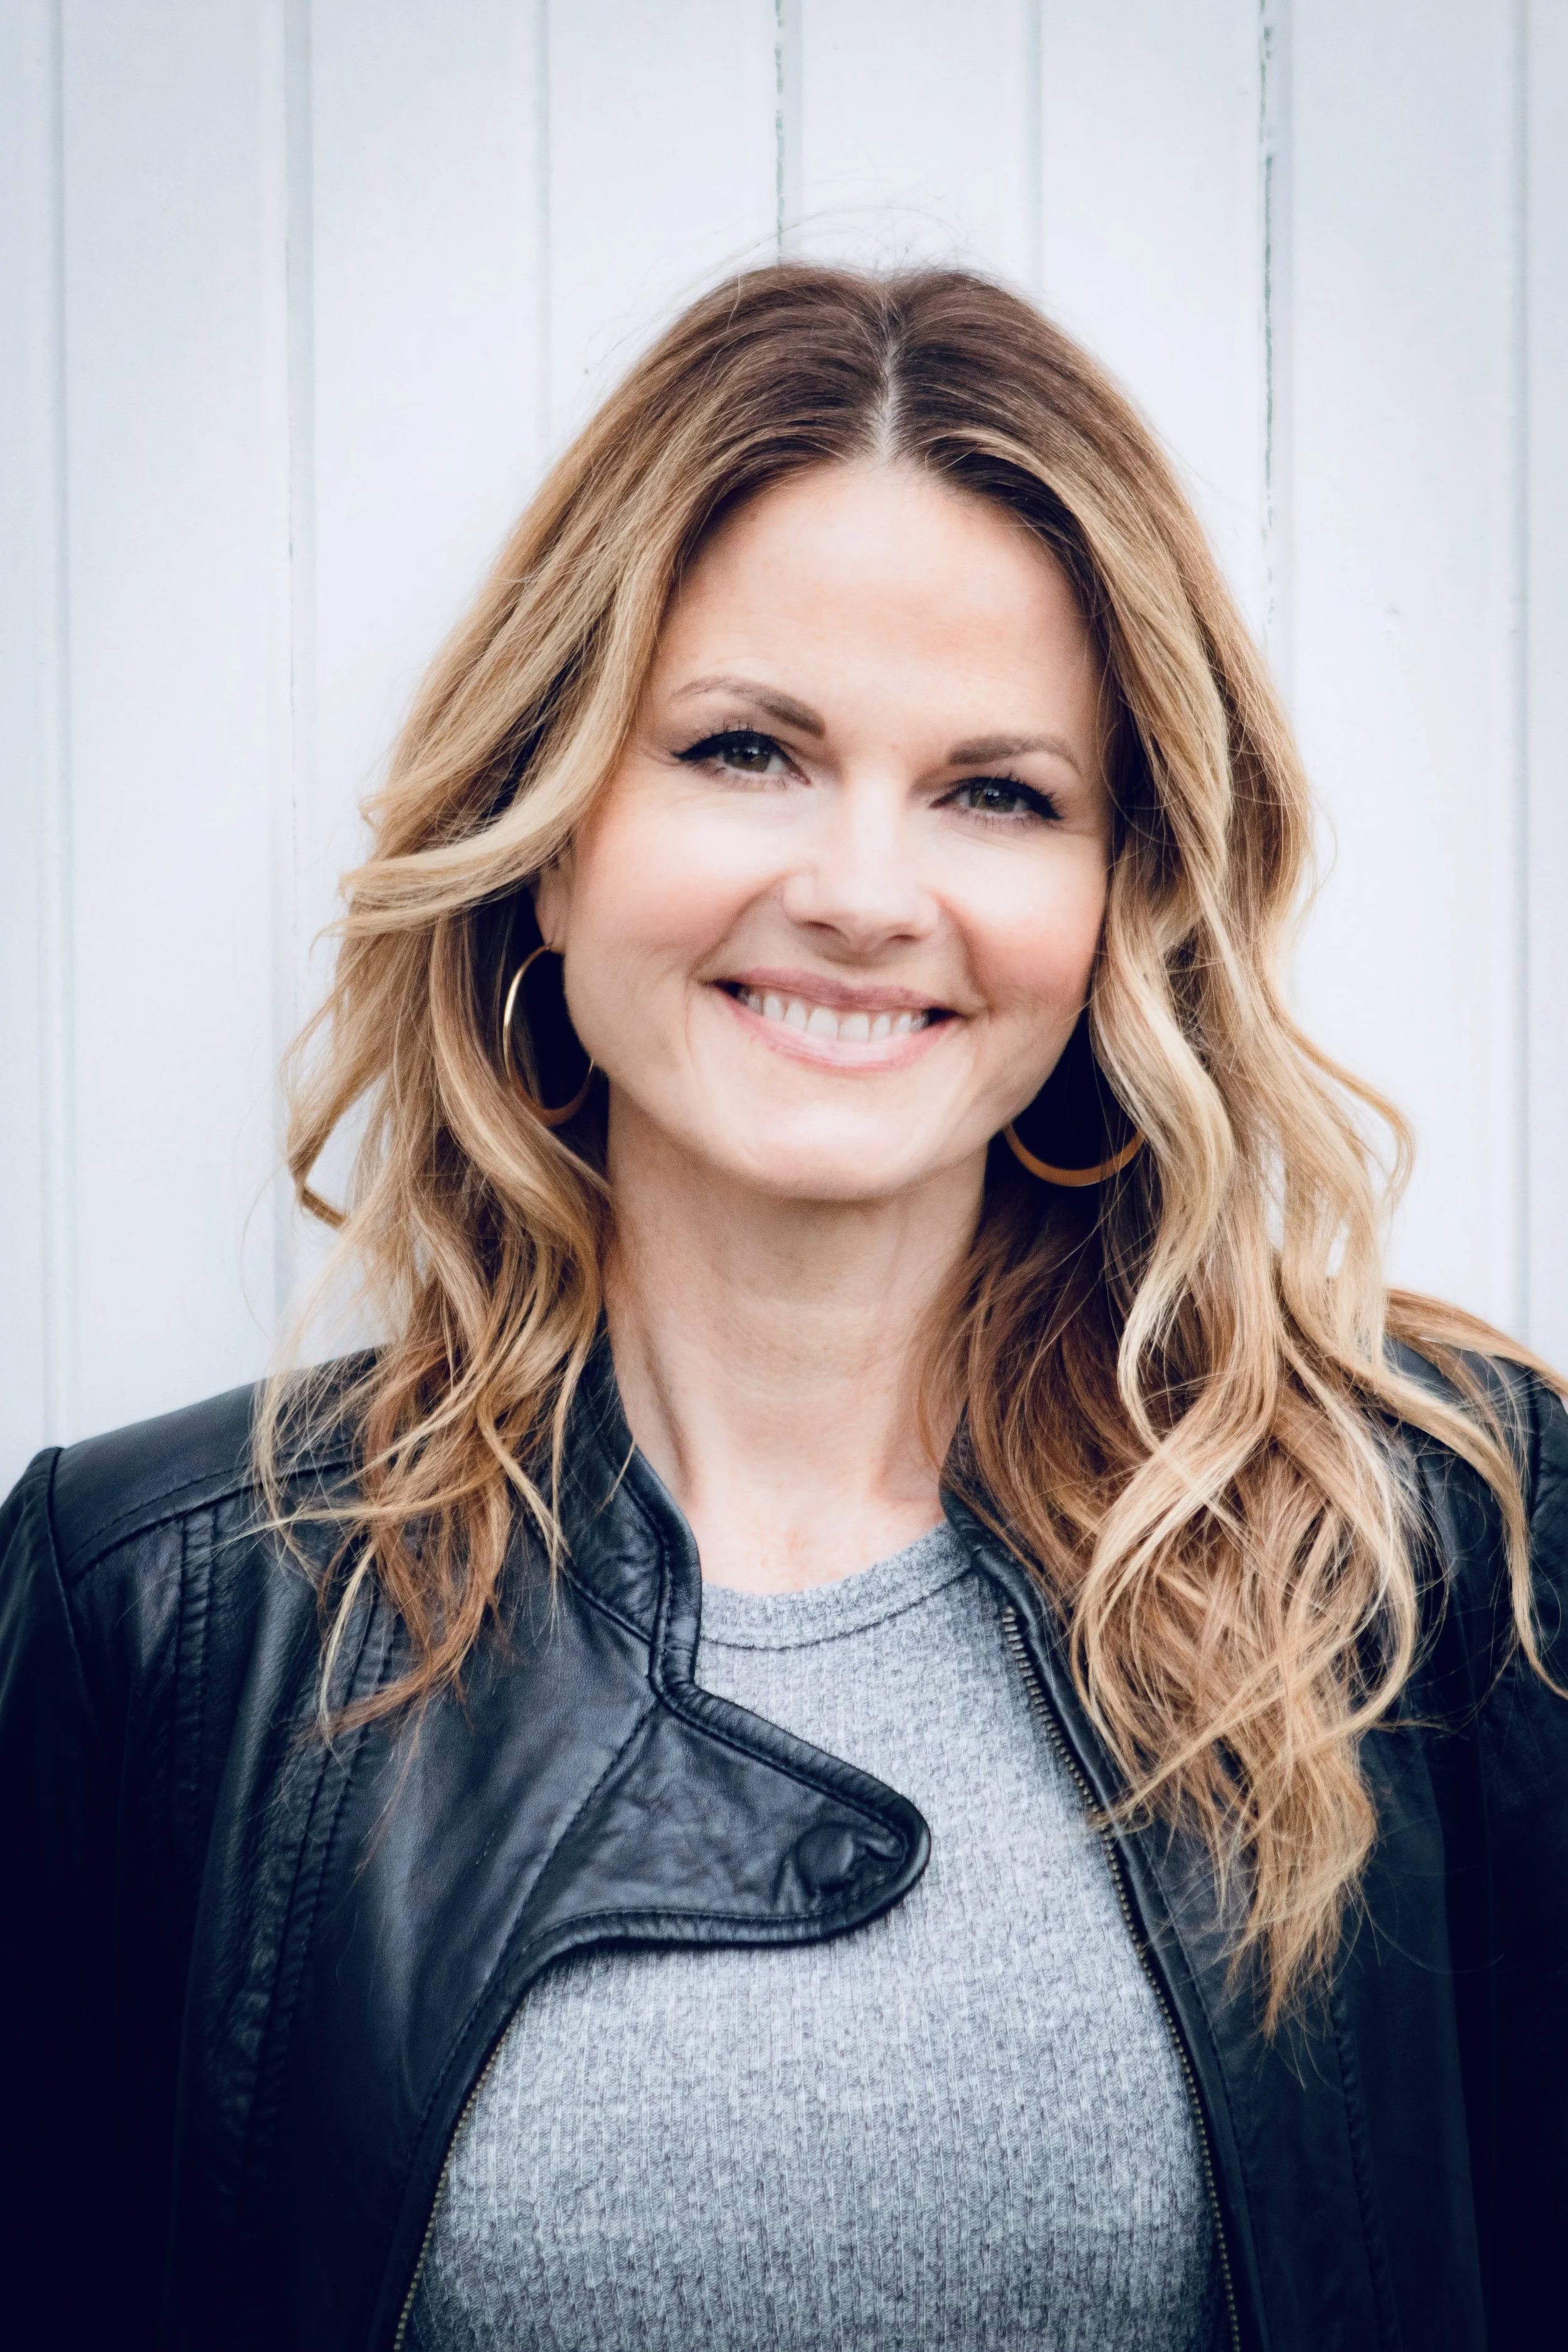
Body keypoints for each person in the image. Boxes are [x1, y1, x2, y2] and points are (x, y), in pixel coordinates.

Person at [3, 265, 1564, 2352]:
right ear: (549, 830)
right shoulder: (166, 1614)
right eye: (745, 749)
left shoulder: (1427, 1545)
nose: (858, 888)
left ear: (1119, 899)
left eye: (997, 791)